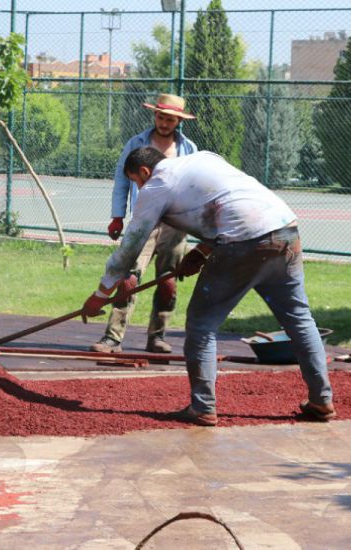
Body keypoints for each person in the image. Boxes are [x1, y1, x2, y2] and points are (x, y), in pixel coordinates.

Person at [81, 147, 335, 426]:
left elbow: (132, 244)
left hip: (244, 242)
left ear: (144, 171)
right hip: (286, 231)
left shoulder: (157, 184)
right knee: (299, 318)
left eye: (136, 181)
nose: (139, 187)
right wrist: (202, 251)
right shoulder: (204, 158)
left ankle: (202, 407)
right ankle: (321, 400)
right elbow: (229, 203)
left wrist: (101, 293)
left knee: (202, 325)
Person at [91, 93, 197, 354]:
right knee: (129, 278)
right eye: (161, 117)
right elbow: (122, 179)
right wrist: (117, 215)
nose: (164, 123)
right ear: (154, 116)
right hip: (144, 220)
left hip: (176, 223)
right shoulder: (136, 143)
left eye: (170, 119)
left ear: (178, 121)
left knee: (168, 281)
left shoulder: (188, 149)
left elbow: (193, 185)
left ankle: (157, 336)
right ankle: (113, 338)